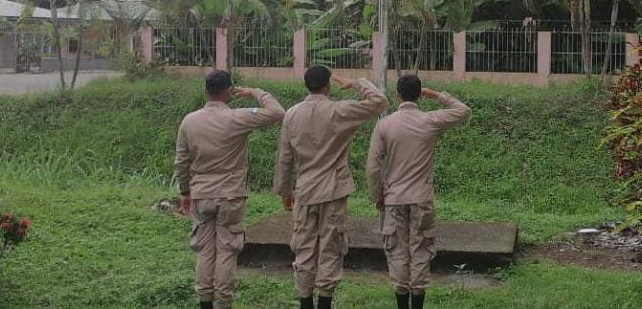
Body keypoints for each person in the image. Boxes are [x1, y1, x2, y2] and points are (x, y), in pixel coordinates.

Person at [274, 65, 388, 309]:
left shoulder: (292, 114)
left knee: (304, 246)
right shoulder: (340, 110)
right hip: (334, 190)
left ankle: (305, 300)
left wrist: (285, 191)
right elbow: (380, 102)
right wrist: (357, 82)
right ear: (327, 85)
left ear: (307, 85)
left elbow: (285, 157)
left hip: (304, 190)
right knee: (331, 246)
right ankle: (325, 300)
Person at [174, 70, 285, 309]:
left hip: (201, 194)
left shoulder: (189, 121)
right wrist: (255, 91)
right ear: (229, 91)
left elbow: (181, 161)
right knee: (226, 250)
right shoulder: (238, 117)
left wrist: (185, 192)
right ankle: (223, 302)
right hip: (230, 195)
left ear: (206, 90)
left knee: (204, 250)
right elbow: (277, 112)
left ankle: (204, 300)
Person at [366, 75, 471, 309]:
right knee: (421, 250)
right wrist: (437, 94)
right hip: (421, 198)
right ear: (419, 94)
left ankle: (402, 303)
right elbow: (463, 110)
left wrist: (378, 196)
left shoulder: (384, 124)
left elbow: (373, 167)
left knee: (397, 252)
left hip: (393, 198)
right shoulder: (430, 120)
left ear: (397, 95)